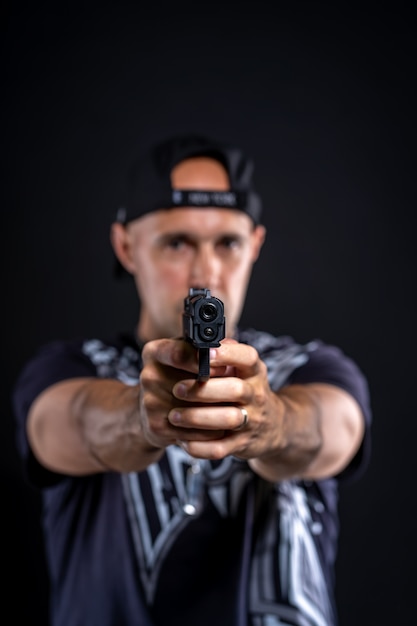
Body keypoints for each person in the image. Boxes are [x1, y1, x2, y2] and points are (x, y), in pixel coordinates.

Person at [12, 133, 371, 626]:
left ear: (256, 245)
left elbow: (336, 429)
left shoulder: (308, 368)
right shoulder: (71, 368)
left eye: (228, 243)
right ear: (125, 245)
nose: (206, 274)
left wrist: (271, 423)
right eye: (177, 243)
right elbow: (69, 421)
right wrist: (140, 418)